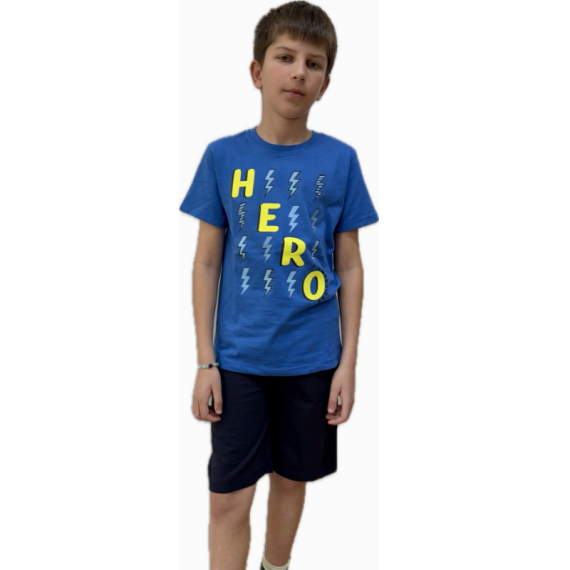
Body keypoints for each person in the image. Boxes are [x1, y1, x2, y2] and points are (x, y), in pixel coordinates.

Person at [179, 2, 378, 569]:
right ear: (256, 71)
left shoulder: (340, 160)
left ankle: (275, 566)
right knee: (227, 498)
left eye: (313, 64)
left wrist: (347, 364)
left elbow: (350, 267)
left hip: (312, 359)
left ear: (325, 84)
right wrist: (205, 362)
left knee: (292, 479)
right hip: (239, 360)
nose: (298, 73)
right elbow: (206, 263)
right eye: (285, 57)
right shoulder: (222, 156)